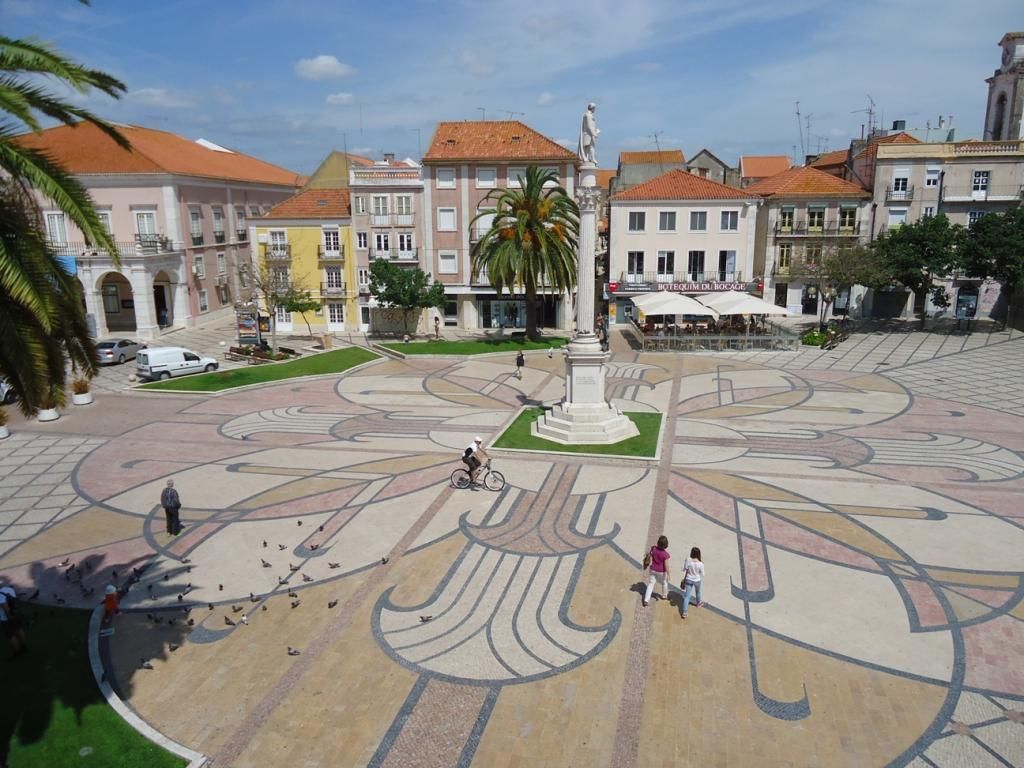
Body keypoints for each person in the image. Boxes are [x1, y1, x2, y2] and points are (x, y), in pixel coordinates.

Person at [643, 535, 670, 607]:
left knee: (651, 584)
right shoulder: (666, 555)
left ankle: (646, 600)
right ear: (666, 545)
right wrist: (669, 574)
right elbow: (666, 565)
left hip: (652, 569)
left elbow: (650, 555)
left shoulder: (653, 548)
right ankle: (664, 595)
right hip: (661, 572)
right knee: (664, 583)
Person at [0, 588, 28, 656]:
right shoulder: (8, 589)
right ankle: (24, 647)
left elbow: (6, 608)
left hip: (7, 618)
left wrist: (10, 618)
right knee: (19, 629)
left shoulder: (0, 596)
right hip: (17, 614)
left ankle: (18, 652)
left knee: (11, 636)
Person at [680, 546, 705, 619]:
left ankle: (684, 612)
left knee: (687, 596)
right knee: (698, 592)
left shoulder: (688, 560)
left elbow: (683, 568)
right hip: (697, 580)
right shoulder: (700, 563)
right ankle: (698, 603)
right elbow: (703, 574)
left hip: (688, 580)